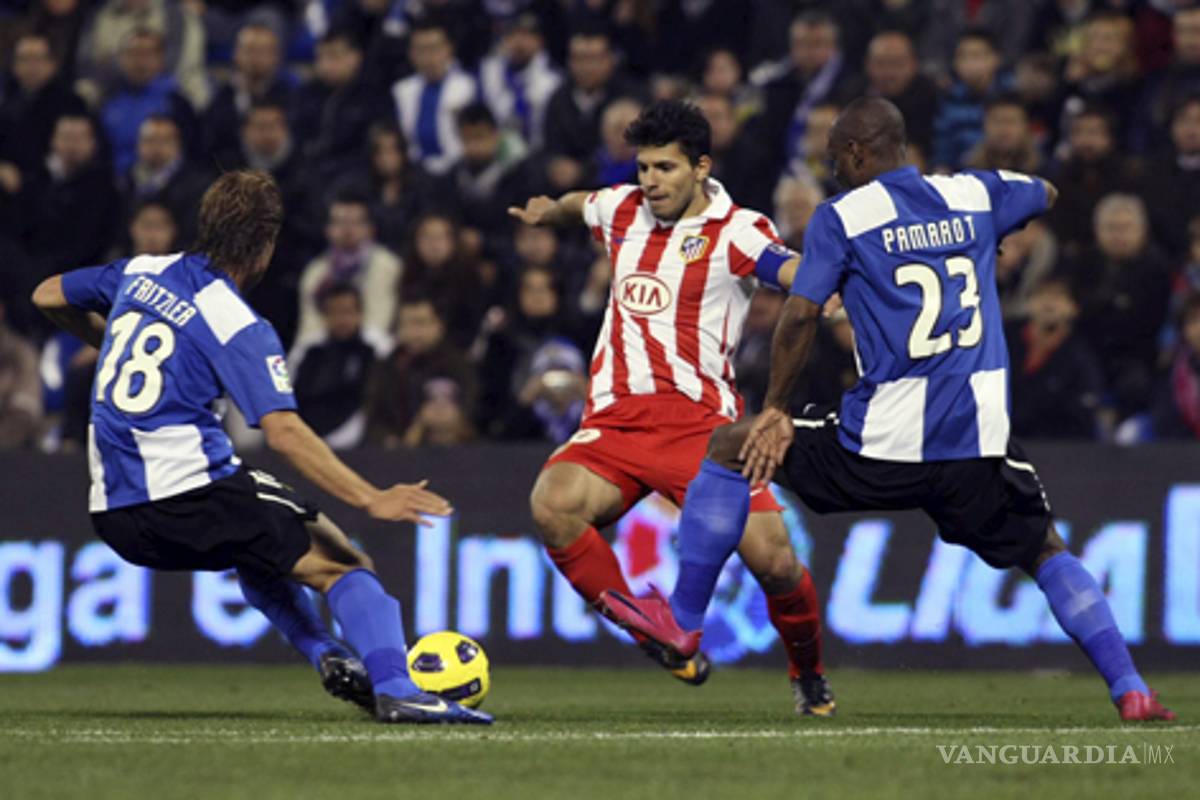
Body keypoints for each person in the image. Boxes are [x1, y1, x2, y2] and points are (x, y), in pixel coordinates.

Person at [603, 97, 1175, 723]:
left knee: (727, 447)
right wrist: (989, 234)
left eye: (833, 158)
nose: (830, 169)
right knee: (1044, 550)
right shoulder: (972, 195)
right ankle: (1130, 689)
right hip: (976, 442)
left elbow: (800, 315)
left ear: (856, 152)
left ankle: (684, 622)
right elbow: (1046, 192)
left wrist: (775, 409)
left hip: (880, 442)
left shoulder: (842, 217)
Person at [30, 170, 490, 725]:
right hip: (189, 492)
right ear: (265, 246)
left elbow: (47, 294)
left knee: (258, 549)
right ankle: (398, 687)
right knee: (344, 564)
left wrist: (105, 340)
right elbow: (284, 433)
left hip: (113, 512)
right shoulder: (236, 322)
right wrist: (371, 498)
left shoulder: (142, 271)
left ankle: (326, 652)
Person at [508, 100, 834, 716]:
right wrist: (548, 210)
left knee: (777, 564)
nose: (651, 181)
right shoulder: (622, 209)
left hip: (702, 434)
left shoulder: (737, 229)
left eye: (665, 168)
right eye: (643, 168)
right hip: (615, 424)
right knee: (552, 504)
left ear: (701, 168)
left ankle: (809, 674)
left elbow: (786, 268)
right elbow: (582, 203)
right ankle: (655, 634)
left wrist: (826, 286)